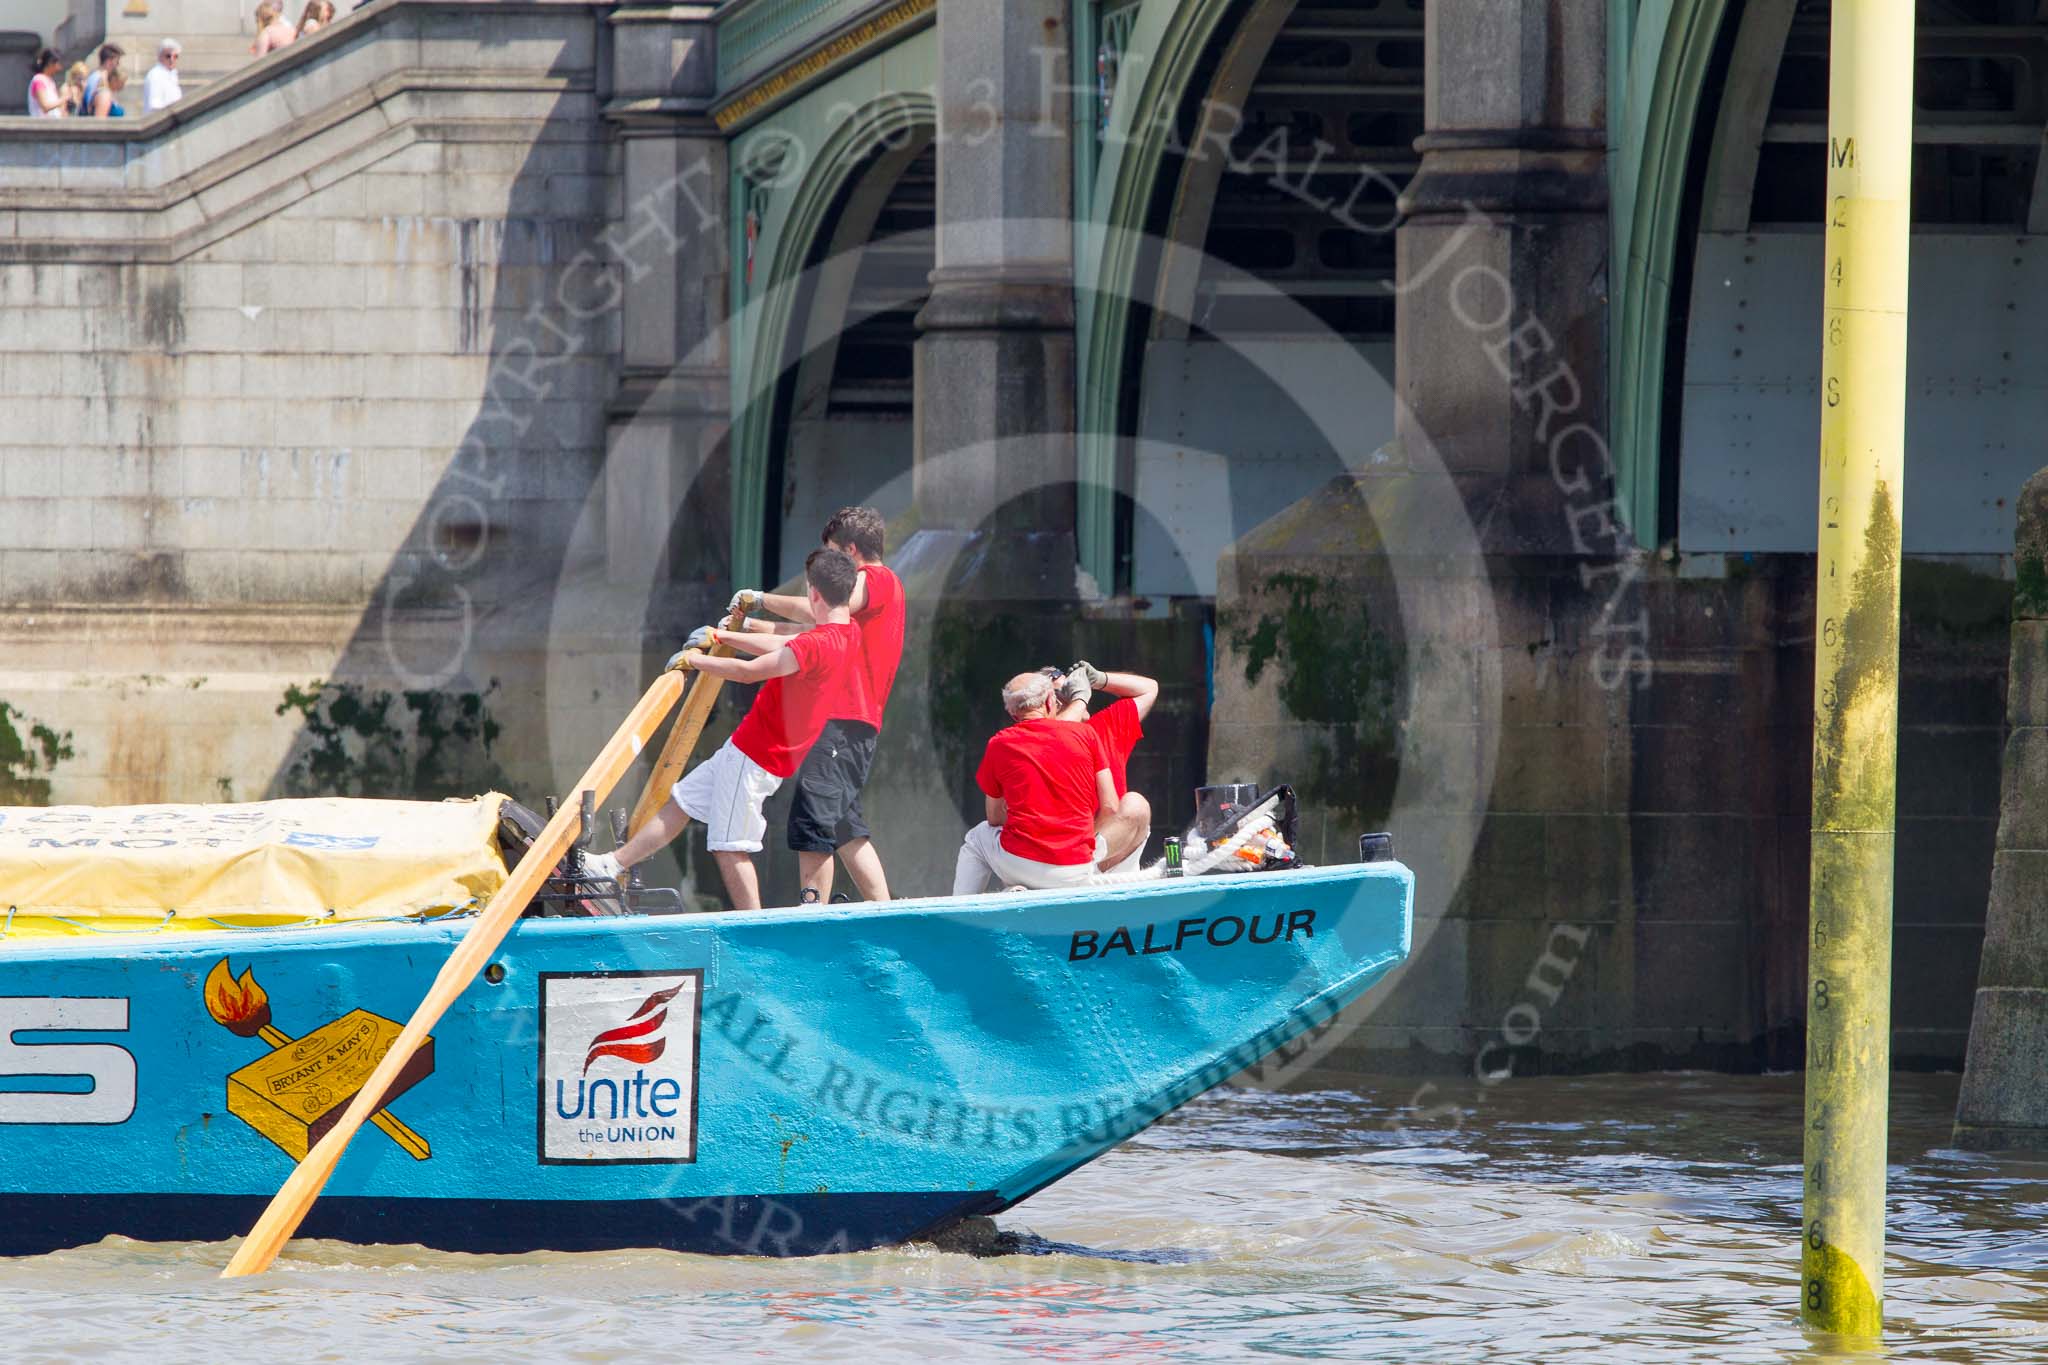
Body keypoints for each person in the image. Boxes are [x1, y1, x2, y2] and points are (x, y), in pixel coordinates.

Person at [587, 548, 868, 912]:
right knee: (683, 802)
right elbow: (783, 643)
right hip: (750, 749)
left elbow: (751, 672)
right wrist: (724, 639)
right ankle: (613, 864)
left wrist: (695, 660)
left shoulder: (817, 643)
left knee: (729, 845)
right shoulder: (848, 633)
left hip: (756, 755)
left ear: (814, 593)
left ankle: (753, 928)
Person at [730, 506, 904, 905]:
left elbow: (821, 604)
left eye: (833, 556)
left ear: (852, 551)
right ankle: (884, 911)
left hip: (843, 718)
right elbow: (807, 631)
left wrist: (760, 599)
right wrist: (749, 624)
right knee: (844, 824)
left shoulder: (876, 578)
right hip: (851, 721)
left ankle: (813, 914)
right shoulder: (862, 601)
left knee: (814, 818)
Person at [952, 672, 1145, 895]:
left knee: (977, 838)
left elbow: (995, 819)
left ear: (1013, 714)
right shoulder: (1087, 734)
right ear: (1049, 702)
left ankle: (960, 907)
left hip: (1020, 866)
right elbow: (1110, 806)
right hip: (1077, 869)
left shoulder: (999, 744)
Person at [1056, 661, 1159, 873]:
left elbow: (1149, 689)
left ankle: (1084, 866)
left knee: (1136, 804)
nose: (1074, 694)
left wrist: (1099, 679)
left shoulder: (1104, 727)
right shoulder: (1030, 743)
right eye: (1062, 694)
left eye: (1075, 688)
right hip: (1055, 861)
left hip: (1104, 858)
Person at [80, 44, 123, 118]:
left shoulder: (98, 77)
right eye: (117, 62)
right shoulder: (97, 78)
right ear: (109, 61)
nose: (118, 66)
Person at [143, 39, 183, 113]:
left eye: (175, 56)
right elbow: (155, 106)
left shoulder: (172, 75)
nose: (172, 59)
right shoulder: (155, 75)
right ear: (160, 57)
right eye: (168, 56)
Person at [26, 50, 65, 118]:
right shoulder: (38, 80)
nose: (60, 68)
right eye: (58, 64)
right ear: (50, 63)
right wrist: (63, 99)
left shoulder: (50, 81)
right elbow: (45, 106)